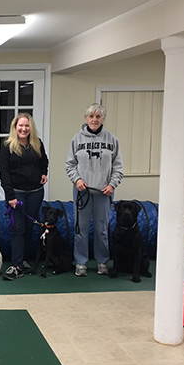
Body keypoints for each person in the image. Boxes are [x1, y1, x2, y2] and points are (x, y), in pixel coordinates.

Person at [65, 103, 123, 277]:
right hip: (82, 193)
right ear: (86, 119)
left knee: (102, 229)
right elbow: (70, 165)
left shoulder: (112, 140)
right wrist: (77, 180)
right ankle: (81, 262)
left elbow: (118, 167)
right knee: (80, 229)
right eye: (91, 116)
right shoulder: (77, 139)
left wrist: (112, 184)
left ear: (103, 119)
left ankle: (102, 261)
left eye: (98, 116)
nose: (94, 119)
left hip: (103, 193)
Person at [0, 113, 48, 281]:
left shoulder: (37, 144)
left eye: (27, 126)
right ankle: (17, 264)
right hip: (16, 194)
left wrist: (43, 173)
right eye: (21, 125)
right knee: (17, 229)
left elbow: (44, 161)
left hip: (35, 192)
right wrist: (10, 195)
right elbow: (3, 173)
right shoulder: (6, 146)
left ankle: (24, 260)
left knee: (29, 228)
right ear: (15, 127)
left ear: (30, 128)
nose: (24, 129)